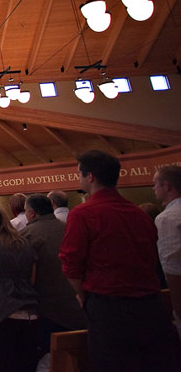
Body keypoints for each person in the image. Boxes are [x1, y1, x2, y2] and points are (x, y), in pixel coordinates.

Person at [60, 150, 181, 372]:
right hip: (151, 306)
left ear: (90, 176)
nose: (78, 178)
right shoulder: (139, 214)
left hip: (109, 310)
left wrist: (84, 296)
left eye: (79, 173)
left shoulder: (82, 214)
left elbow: (70, 264)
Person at [20, 195, 86, 364]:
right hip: (79, 303)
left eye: (26, 211)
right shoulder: (68, 228)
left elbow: (23, 273)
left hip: (48, 308)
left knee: (50, 358)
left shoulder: (26, 235)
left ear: (32, 213)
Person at [0, 203, 39, 372]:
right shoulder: (25, 242)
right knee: (26, 363)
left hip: (1, 309)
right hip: (28, 308)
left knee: (3, 363)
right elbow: (32, 278)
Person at [153, 165, 181, 341]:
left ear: (167, 186)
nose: (153, 188)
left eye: (155, 184)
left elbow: (173, 267)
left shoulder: (167, 218)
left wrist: (178, 308)